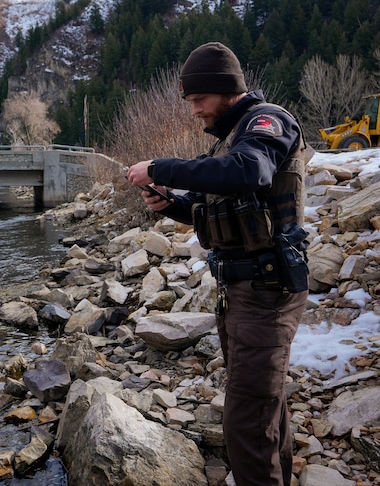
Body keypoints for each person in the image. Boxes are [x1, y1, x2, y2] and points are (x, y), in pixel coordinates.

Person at [127, 42, 308, 486]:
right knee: (263, 411)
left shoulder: (268, 122)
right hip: (242, 296)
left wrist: (160, 168)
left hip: (266, 294)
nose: (193, 110)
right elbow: (215, 209)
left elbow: (250, 174)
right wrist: (170, 203)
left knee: (245, 423)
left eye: (198, 99)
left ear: (227, 90)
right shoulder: (233, 140)